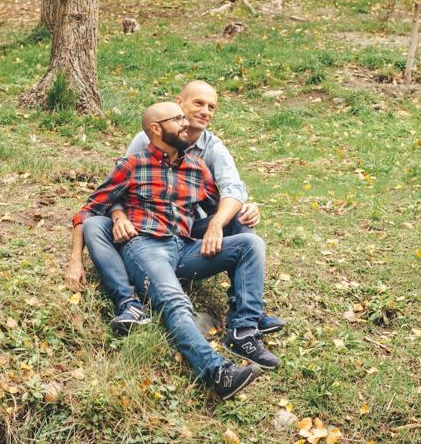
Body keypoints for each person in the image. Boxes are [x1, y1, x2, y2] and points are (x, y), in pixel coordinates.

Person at [68, 101, 282, 400]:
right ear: (156, 129)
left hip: (184, 247)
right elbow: (89, 209)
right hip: (144, 246)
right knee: (175, 301)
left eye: (184, 118)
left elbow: (221, 207)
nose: (186, 123)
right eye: (178, 118)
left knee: (250, 243)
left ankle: (243, 330)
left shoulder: (197, 168)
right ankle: (216, 372)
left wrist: (248, 208)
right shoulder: (132, 165)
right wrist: (75, 261)